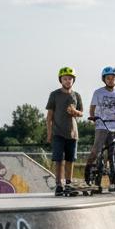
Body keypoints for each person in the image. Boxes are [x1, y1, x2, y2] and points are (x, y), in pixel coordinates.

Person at [85, 67, 115, 191]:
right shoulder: (98, 92)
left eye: (113, 78)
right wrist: (93, 117)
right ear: (104, 79)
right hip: (102, 125)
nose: (111, 80)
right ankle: (89, 172)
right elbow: (92, 107)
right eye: (108, 78)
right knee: (96, 151)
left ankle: (114, 182)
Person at [45, 66, 83, 195]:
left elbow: (81, 113)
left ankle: (68, 184)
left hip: (72, 133)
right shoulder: (54, 95)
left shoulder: (76, 95)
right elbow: (49, 116)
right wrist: (49, 133)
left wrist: (75, 112)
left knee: (70, 160)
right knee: (59, 160)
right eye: (65, 79)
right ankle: (58, 185)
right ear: (61, 80)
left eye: (70, 79)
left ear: (73, 80)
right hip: (58, 132)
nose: (67, 81)